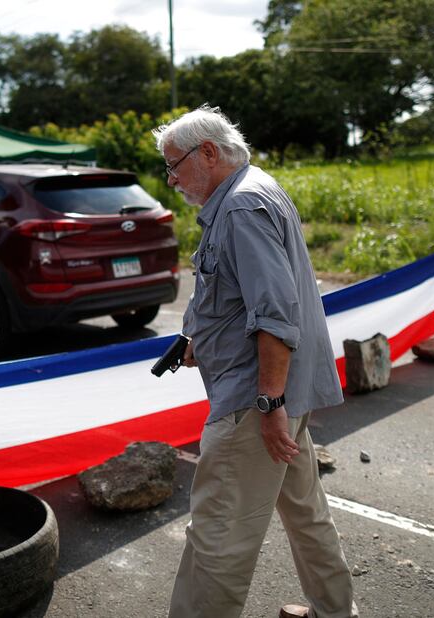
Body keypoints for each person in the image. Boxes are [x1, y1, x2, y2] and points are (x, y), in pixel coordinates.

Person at [154, 106, 358, 618]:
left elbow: (274, 314)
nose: (172, 179)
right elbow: (243, 295)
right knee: (306, 513)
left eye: (173, 165)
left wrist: (269, 403)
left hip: (256, 402)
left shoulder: (241, 207)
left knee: (218, 537)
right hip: (284, 394)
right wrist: (202, 337)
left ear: (208, 152)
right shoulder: (251, 189)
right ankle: (335, 611)